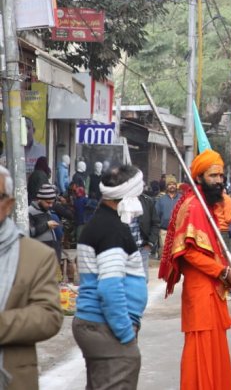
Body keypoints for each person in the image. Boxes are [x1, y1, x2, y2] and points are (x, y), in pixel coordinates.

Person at [158, 149, 231, 390]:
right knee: (202, 355)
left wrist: (224, 271)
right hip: (201, 292)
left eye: (221, 175)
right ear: (198, 178)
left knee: (215, 353)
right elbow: (188, 253)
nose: (219, 180)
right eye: (213, 176)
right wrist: (222, 272)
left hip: (212, 291)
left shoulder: (206, 206)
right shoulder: (194, 207)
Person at [74, 165, 148, 389]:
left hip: (96, 325)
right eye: (137, 195)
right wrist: (126, 334)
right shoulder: (112, 230)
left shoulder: (99, 223)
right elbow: (109, 287)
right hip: (106, 327)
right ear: (127, 196)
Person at [0, 165, 63, 390]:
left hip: (12, 377)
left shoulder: (35, 257)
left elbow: (49, 316)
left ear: (8, 204)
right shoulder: (37, 213)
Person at [29, 184, 62, 262]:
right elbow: (29, 232)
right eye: (48, 202)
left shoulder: (47, 211)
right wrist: (47, 225)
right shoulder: (30, 212)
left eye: (52, 203)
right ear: (39, 199)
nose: (50, 205)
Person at [155, 175, 181, 256]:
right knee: (165, 255)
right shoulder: (161, 200)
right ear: (167, 186)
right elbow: (156, 215)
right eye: (170, 184)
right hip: (164, 231)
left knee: (177, 253)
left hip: (178, 231)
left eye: (173, 184)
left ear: (176, 185)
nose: (172, 186)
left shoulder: (182, 198)